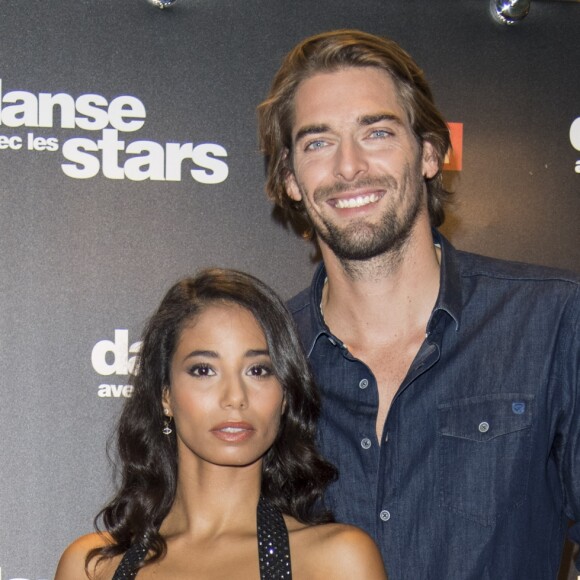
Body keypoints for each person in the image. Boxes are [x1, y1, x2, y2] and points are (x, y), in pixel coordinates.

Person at [258, 29, 580, 579]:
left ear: (429, 153)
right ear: (290, 179)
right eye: (317, 142)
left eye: (377, 132)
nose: (349, 166)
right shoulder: (262, 359)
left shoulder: (553, 321)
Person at [55, 269, 387, 579]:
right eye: (204, 370)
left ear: (285, 394)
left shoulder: (337, 561)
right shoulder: (93, 568)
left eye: (258, 370)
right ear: (165, 394)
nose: (234, 397)